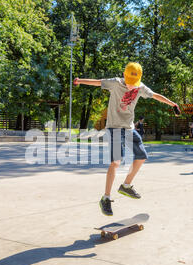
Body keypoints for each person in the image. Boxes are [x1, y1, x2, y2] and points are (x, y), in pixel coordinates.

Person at [74, 62, 180, 216]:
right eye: (129, 83)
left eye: (134, 84)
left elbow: (155, 95)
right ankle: (106, 198)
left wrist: (172, 104)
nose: (131, 87)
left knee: (142, 156)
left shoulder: (140, 87)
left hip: (129, 128)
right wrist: (80, 80)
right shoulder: (115, 83)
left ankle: (126, 185)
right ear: (124, 76)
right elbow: (98, 82)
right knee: (116, 162)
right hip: (114, 128)